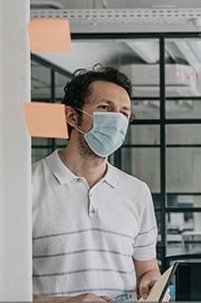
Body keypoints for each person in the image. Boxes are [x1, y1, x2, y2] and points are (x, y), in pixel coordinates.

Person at [32, 65, 161, 302]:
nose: (117, 120)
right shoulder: (28, 186)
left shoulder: (137, 192)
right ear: (72, 116)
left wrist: (151, 282)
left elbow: (147, 268)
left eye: (124, 113)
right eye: (105, 108)